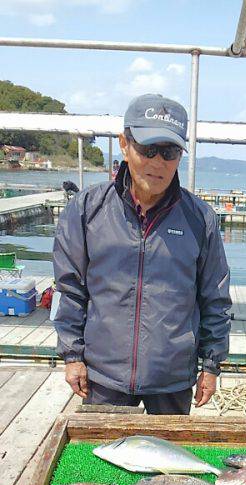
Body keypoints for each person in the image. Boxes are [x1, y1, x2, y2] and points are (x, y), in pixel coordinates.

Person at [53, 93, 231, 415]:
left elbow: (215, 298)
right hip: (104, 376)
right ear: (124, 143)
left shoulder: (200, 218)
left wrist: (212, 363)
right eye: (148, 149)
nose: (158, 162)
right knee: (105, 462)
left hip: (173, 378)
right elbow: (69, 290)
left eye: (169, 151)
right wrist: (72, 355)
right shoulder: (85, 210)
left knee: (171, 462)